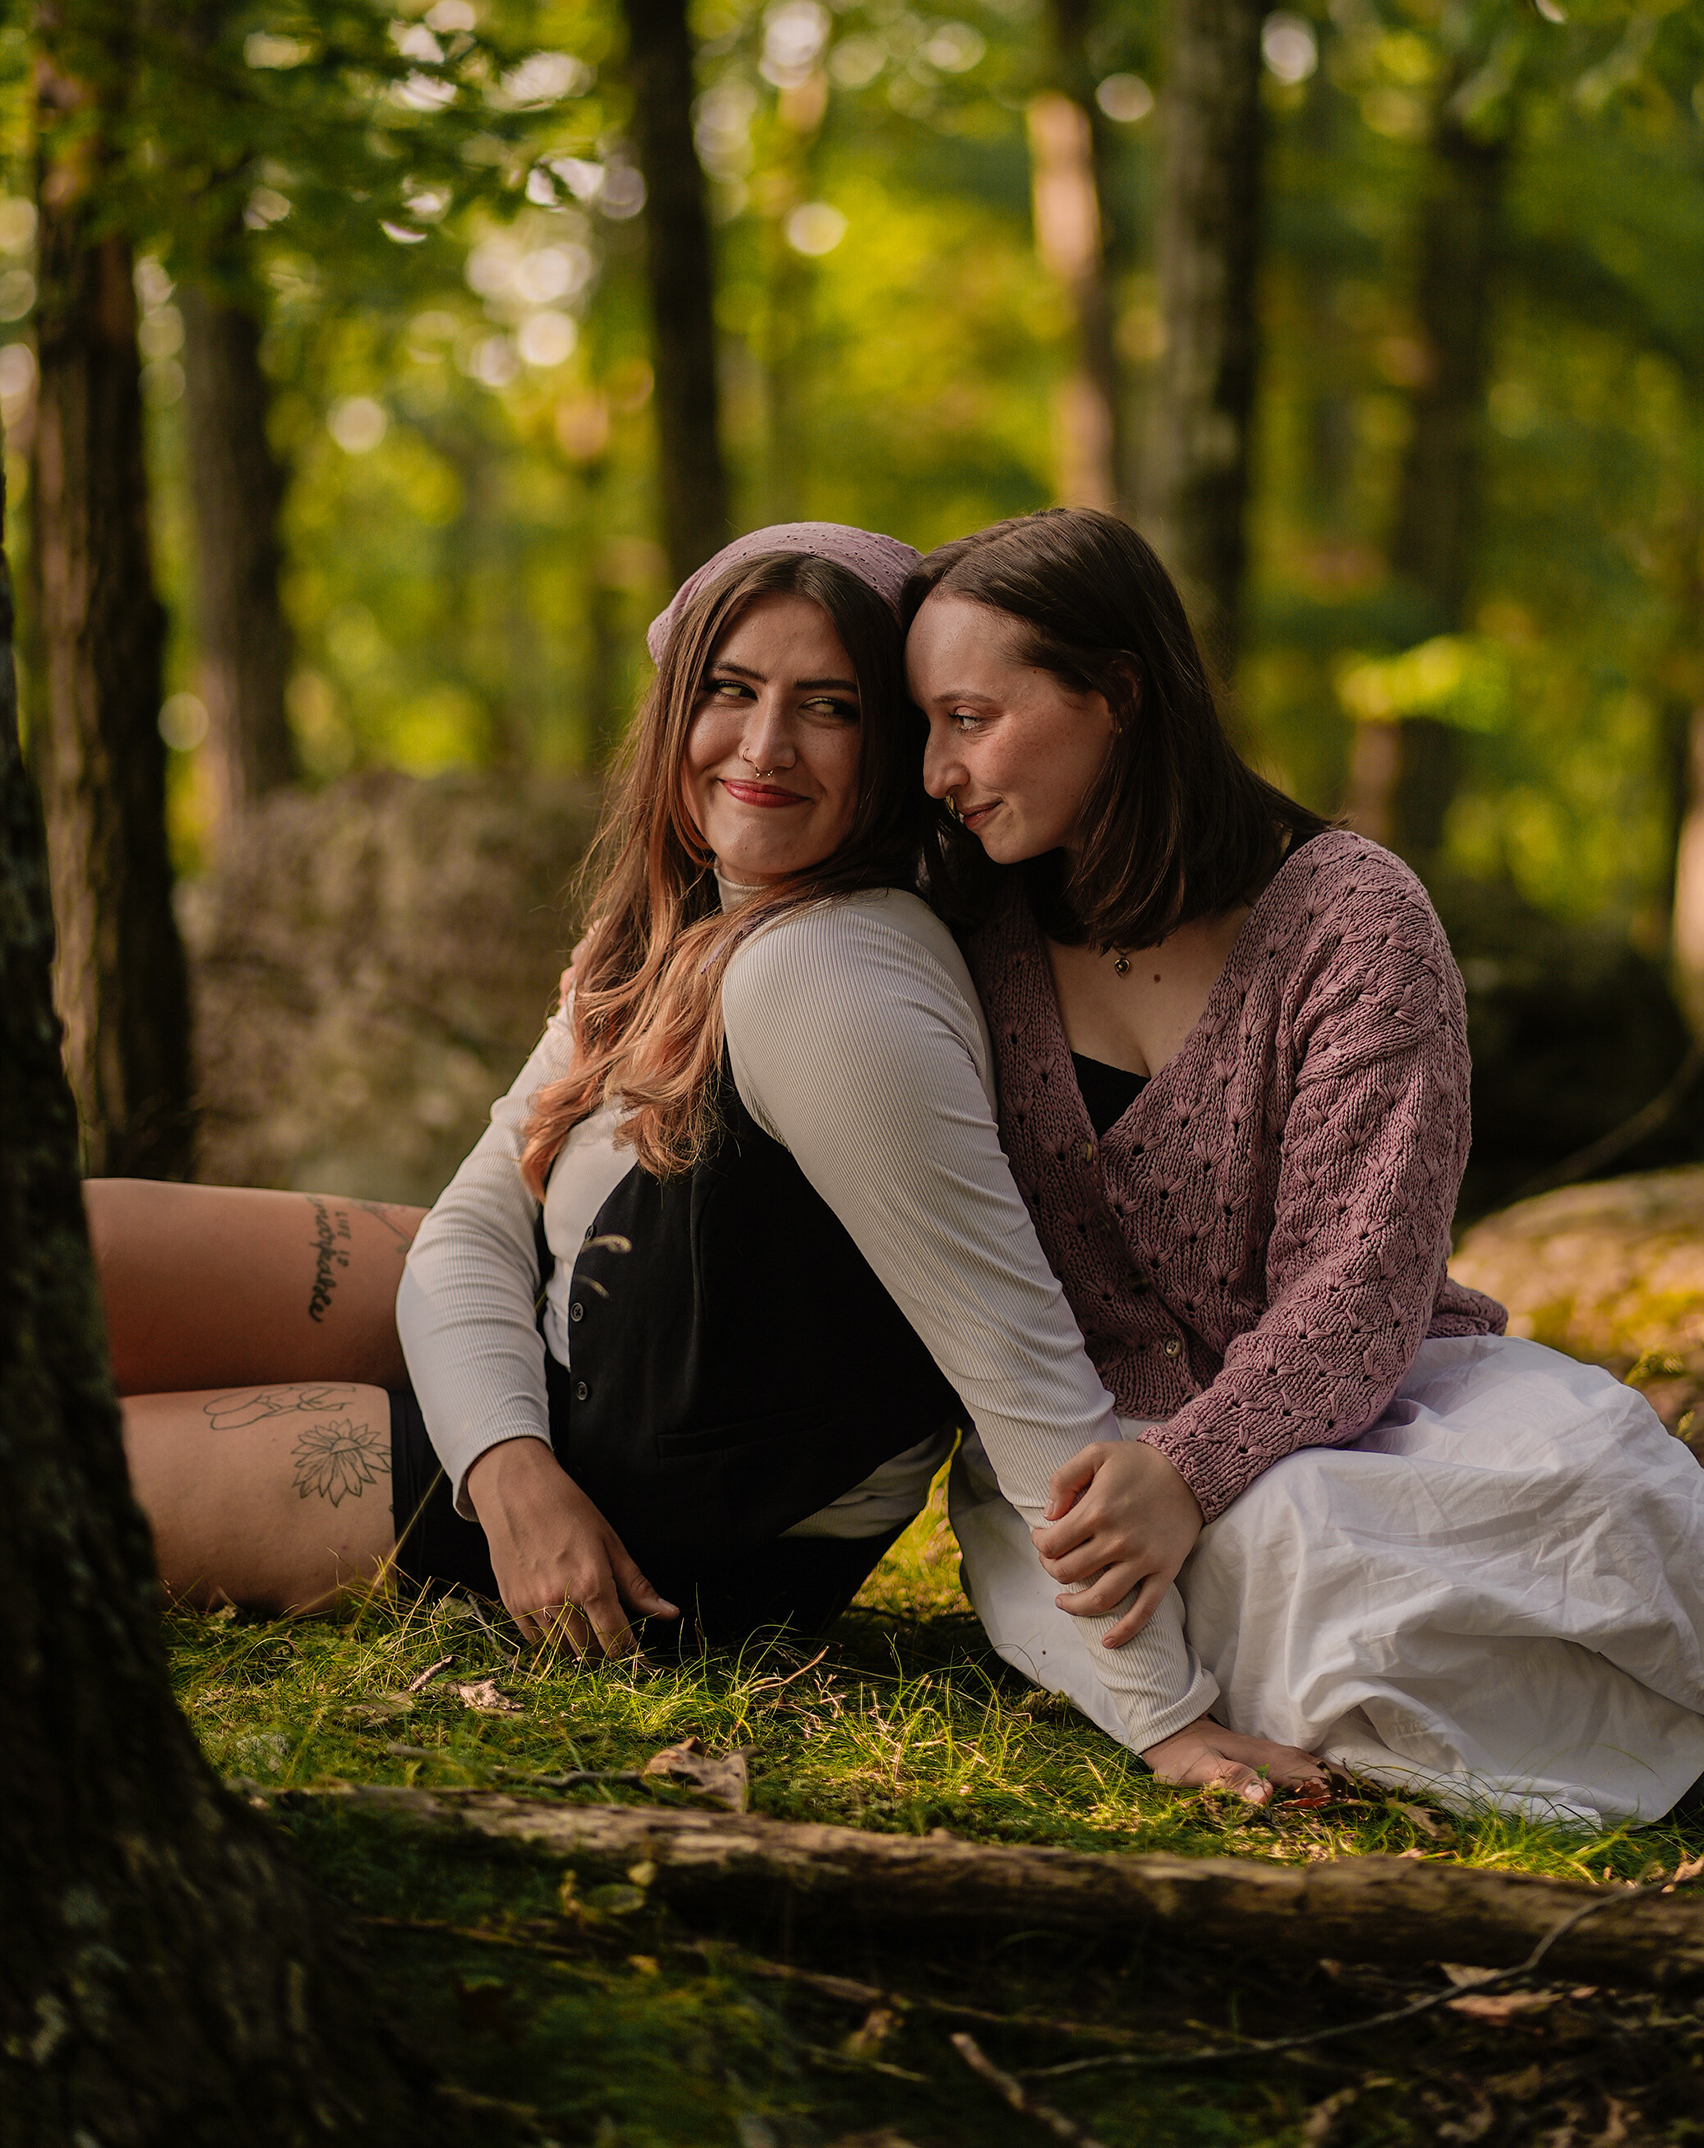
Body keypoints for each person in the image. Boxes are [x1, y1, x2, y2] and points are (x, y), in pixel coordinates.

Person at [102, 523, 1320, 1799]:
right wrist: (504, 1463)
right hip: (548, 1395)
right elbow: (474, 1223)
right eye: (731, 689)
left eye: (830, 708)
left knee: (56, 1463)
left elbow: (1014, 1360)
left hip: (653, 1525)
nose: (764, 745)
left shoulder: (833, 980)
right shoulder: (687, 910)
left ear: (897, 749)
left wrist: (1164, 1714)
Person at [902, 506, 1704, 1835]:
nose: (938, 768)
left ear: (1119, 694)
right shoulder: (958, 937)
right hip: (1089, 1443)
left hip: (1376, 1387)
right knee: (1311, 1558)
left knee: (1590, 1484)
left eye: (970, 719)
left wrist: (1193, 1468)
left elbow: (1363, 1278)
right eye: (925, 725)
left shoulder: (1350, 916)